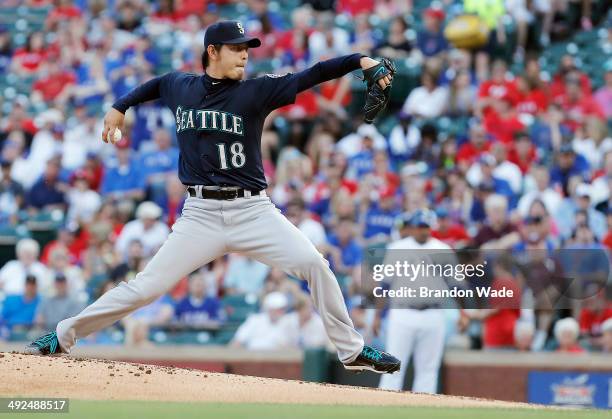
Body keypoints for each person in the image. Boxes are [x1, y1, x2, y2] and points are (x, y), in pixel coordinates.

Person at [26, 20, 400, 374]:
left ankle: (351, 351)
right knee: (143, 289)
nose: (244, 54)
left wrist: (358, 61)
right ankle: (62, 336)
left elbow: (313, 74)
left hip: (253, 211)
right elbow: (154, 85)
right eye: (236, 48)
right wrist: (118, 106)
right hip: (199, 215)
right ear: (213, 51)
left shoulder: (256, 91)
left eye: (247, 48)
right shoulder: (179, 86)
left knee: (316, 265)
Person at [378, 209, 456, 393]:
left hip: (433, 313)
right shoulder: (397, 248)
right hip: (402, 312)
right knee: (391, 367)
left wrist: (463, 313)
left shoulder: (443, 250)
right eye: (420, 226)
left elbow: (454, 285)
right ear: (412, 227)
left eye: (426, 227)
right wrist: (376, 316)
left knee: (428, 371)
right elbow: (384, 285)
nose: (423, 230)